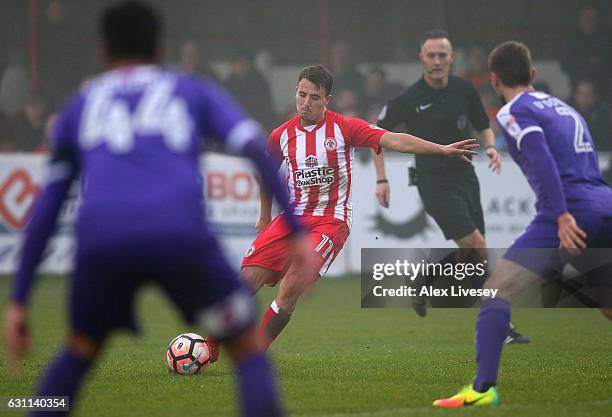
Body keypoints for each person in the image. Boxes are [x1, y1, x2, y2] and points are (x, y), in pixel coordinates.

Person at [2, 2, 315, 417]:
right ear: (160, 47)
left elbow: (48, 206)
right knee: (244, 346)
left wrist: (20, 298)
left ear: (103, 51)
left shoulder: (83, 104)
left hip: (103, 243)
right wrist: (295, 230)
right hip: (179, 235)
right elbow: (254, 149)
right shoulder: (189, 89)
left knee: (78, 351)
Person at [206, 64, 479, 362]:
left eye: (314, 97)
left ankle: (253, 355)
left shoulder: (344, 128)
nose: (306, 103)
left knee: (289, 289)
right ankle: (208, 347)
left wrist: (441, 149)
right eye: (301, 95)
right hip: (291, 221)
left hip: (330, 221)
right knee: (245, 281)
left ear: (327, 100)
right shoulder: (280, 136)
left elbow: (392, 140)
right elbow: (267, 175)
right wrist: (263, 215)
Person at [433, 40, 612, 408]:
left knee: (496, 291)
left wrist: (562, 215)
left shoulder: (513, 111)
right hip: (603, 204)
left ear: (494, 80)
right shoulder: (565, 108)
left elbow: (541, 158)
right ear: (532, 74)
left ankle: (483, 389)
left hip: (567, 211)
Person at [374, 29, 529, 344]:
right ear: (421, 59)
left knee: (472, 254)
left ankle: (424, 283)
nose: (436, 61)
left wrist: (490, 147)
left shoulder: (465, 90)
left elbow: (483, 124)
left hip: (466, 177)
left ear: (451, 58)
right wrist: (381, 178)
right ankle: (500, 327)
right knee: (478, 245)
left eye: (442, 55)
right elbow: (374, 136)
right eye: (430, 55)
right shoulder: (408, 99)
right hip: (433, 182)